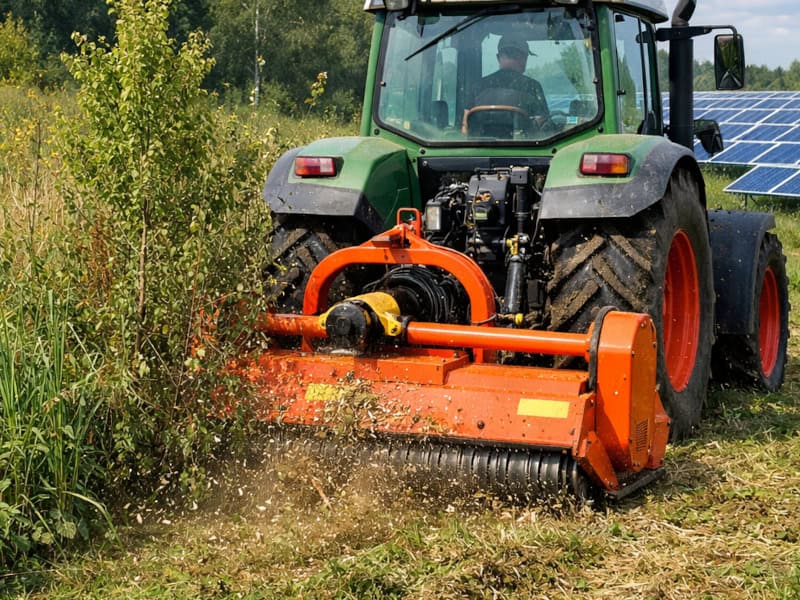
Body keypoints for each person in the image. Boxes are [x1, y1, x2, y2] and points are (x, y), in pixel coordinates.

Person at [477, 34, 549, 121]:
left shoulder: (479, 86)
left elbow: (465, 124)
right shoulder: (532, 86)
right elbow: (542, 123)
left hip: (480, 135)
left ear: (498, 58)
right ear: (524, 59)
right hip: (521, 135)